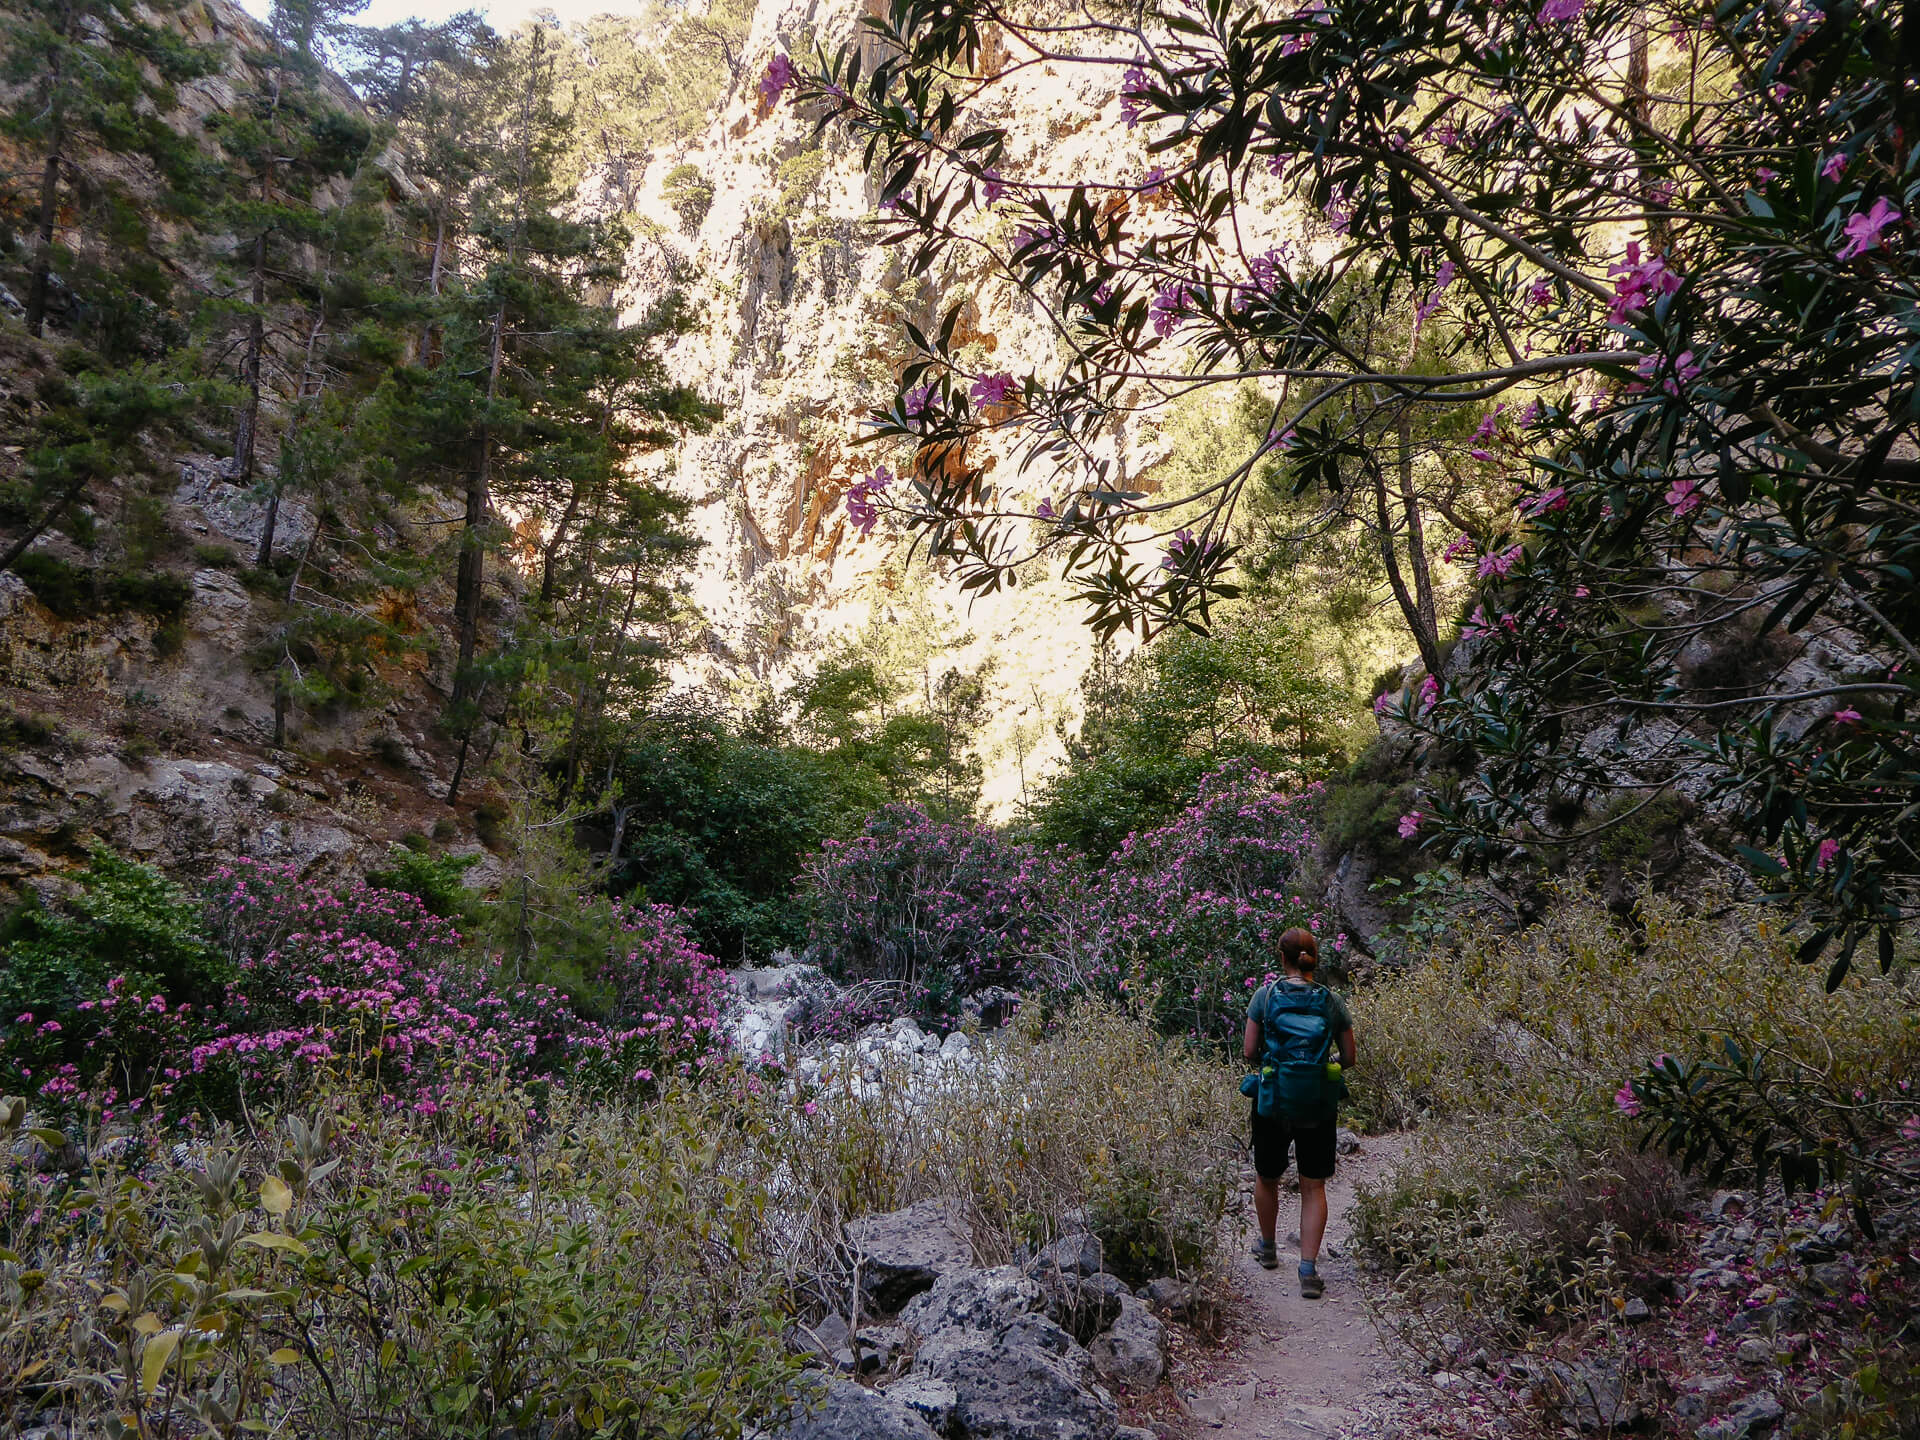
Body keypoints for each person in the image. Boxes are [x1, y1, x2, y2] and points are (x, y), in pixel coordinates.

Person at [1243, 927, 1356, 1298]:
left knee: (1267, 1176)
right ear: (1314, 959)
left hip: (1274, 1098)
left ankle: (1269, 1248)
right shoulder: (1331, 1001)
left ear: (1282, 958)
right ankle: (1308, 1270)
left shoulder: (1266, 995)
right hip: (1318, 1102)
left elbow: (1249, 1051)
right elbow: (1350, 1057)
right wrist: (1319, 1064)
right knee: (1313, 1185)